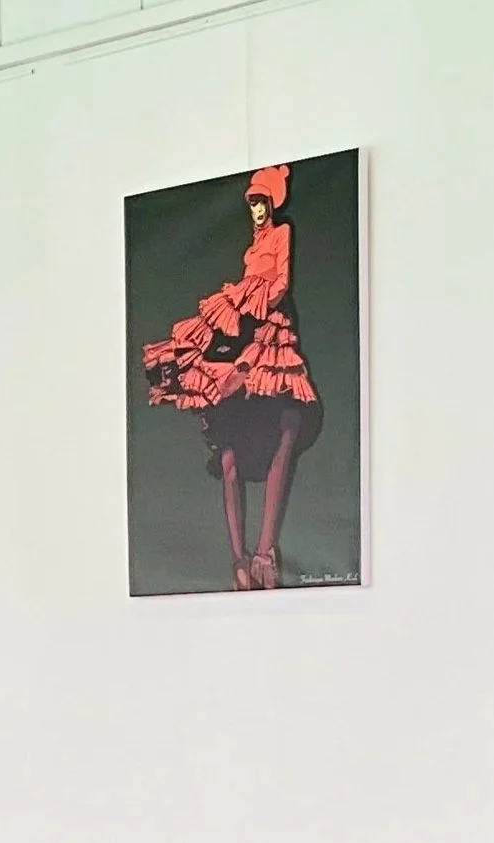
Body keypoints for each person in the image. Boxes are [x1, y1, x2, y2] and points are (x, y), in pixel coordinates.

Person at [143, 163, 323, 591]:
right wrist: (239, 308)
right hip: (244, 324)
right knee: (228, 451)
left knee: (284, 419)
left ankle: (264, 550)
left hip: (270, 323)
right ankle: (241, 558)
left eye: (262, 202)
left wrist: (254, 302)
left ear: (273, 203)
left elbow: (279, 283)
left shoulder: (281, 234)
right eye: (252, 203)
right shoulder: (251, 247)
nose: (257, 211)